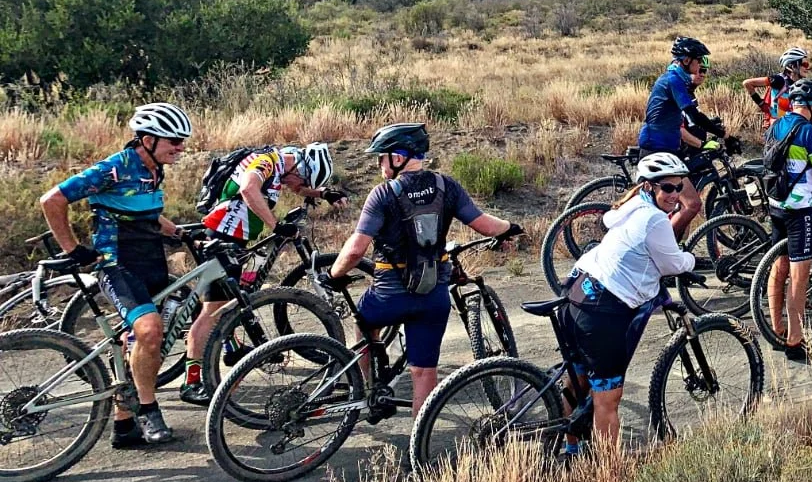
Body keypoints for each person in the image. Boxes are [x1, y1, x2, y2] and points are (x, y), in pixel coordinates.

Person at [324, 123, 521, 411]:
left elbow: (355, 250)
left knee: (364, 324)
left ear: (399, 157)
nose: (379, 163)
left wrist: (333, 275)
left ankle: (363, 390)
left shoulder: (383, 195)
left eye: (382, 157)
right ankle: (419, 446)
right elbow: (484, 225)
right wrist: (510, 228)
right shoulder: (447, 186)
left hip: (388, 296)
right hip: (432, 298)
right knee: (424, 372)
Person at [38, 103, 193, 448]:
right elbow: (52, 200)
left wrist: (178, 232)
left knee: (139, 342)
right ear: (148, 139)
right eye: (175, 141)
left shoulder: (155, 169)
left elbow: (144, 211)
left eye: (182, 142)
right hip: (117, 264)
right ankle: (149, 409)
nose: (180, 148)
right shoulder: (115, 167)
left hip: (150, 259)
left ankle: (123, 426)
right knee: (149, 331)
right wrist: (74, 250)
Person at [177, 143, 342, 405]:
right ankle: (192, 382)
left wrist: (323, 192)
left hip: (233, 239)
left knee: (229, 304)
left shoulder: (279, 168)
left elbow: (296, 186)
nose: (298, 186)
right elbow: (247, 188)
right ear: (297, 165)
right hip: (221, 238)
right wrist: (275, 226)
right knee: (212, 312)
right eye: (302, 177)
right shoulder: (265, 162)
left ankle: (230, 346)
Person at [562, 152, 697, 449]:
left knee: (578, 379)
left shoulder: (631, 205)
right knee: (607, 399)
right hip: (601, 312)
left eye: (679, 187)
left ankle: (572, 448)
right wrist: (691, 260)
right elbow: (672, 263)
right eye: (668, 188)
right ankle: (609, 473)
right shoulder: (654, 220)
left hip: (578, 293)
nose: (675, 195)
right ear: (649, 186)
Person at [763, 79, 812, 362]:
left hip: (776, 205)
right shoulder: (807, 131)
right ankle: (796, 342)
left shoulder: (775, 125)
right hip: (800, 209)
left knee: (778, 268)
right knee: (799, 275)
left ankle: (777, 329)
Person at [638, 36, 723, 225]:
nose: (701, 65)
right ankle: (667, 249)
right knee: (691, 204)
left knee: (671, 204)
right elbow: (693, 115)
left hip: (666, 146)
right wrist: (722, 134)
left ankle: (668, 246)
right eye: (699, 60)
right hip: (658, 147)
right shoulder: (673, 80)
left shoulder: (677, 78)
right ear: (686, 60)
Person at [742, 47, 810, 128]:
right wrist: (762, 105)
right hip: (778, 128)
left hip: (792, 126)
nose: (807, 67)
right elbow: (747, 83)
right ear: (792, 66)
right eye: (804, 64)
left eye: (807, 64)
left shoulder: (802, 84)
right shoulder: (779, 80)